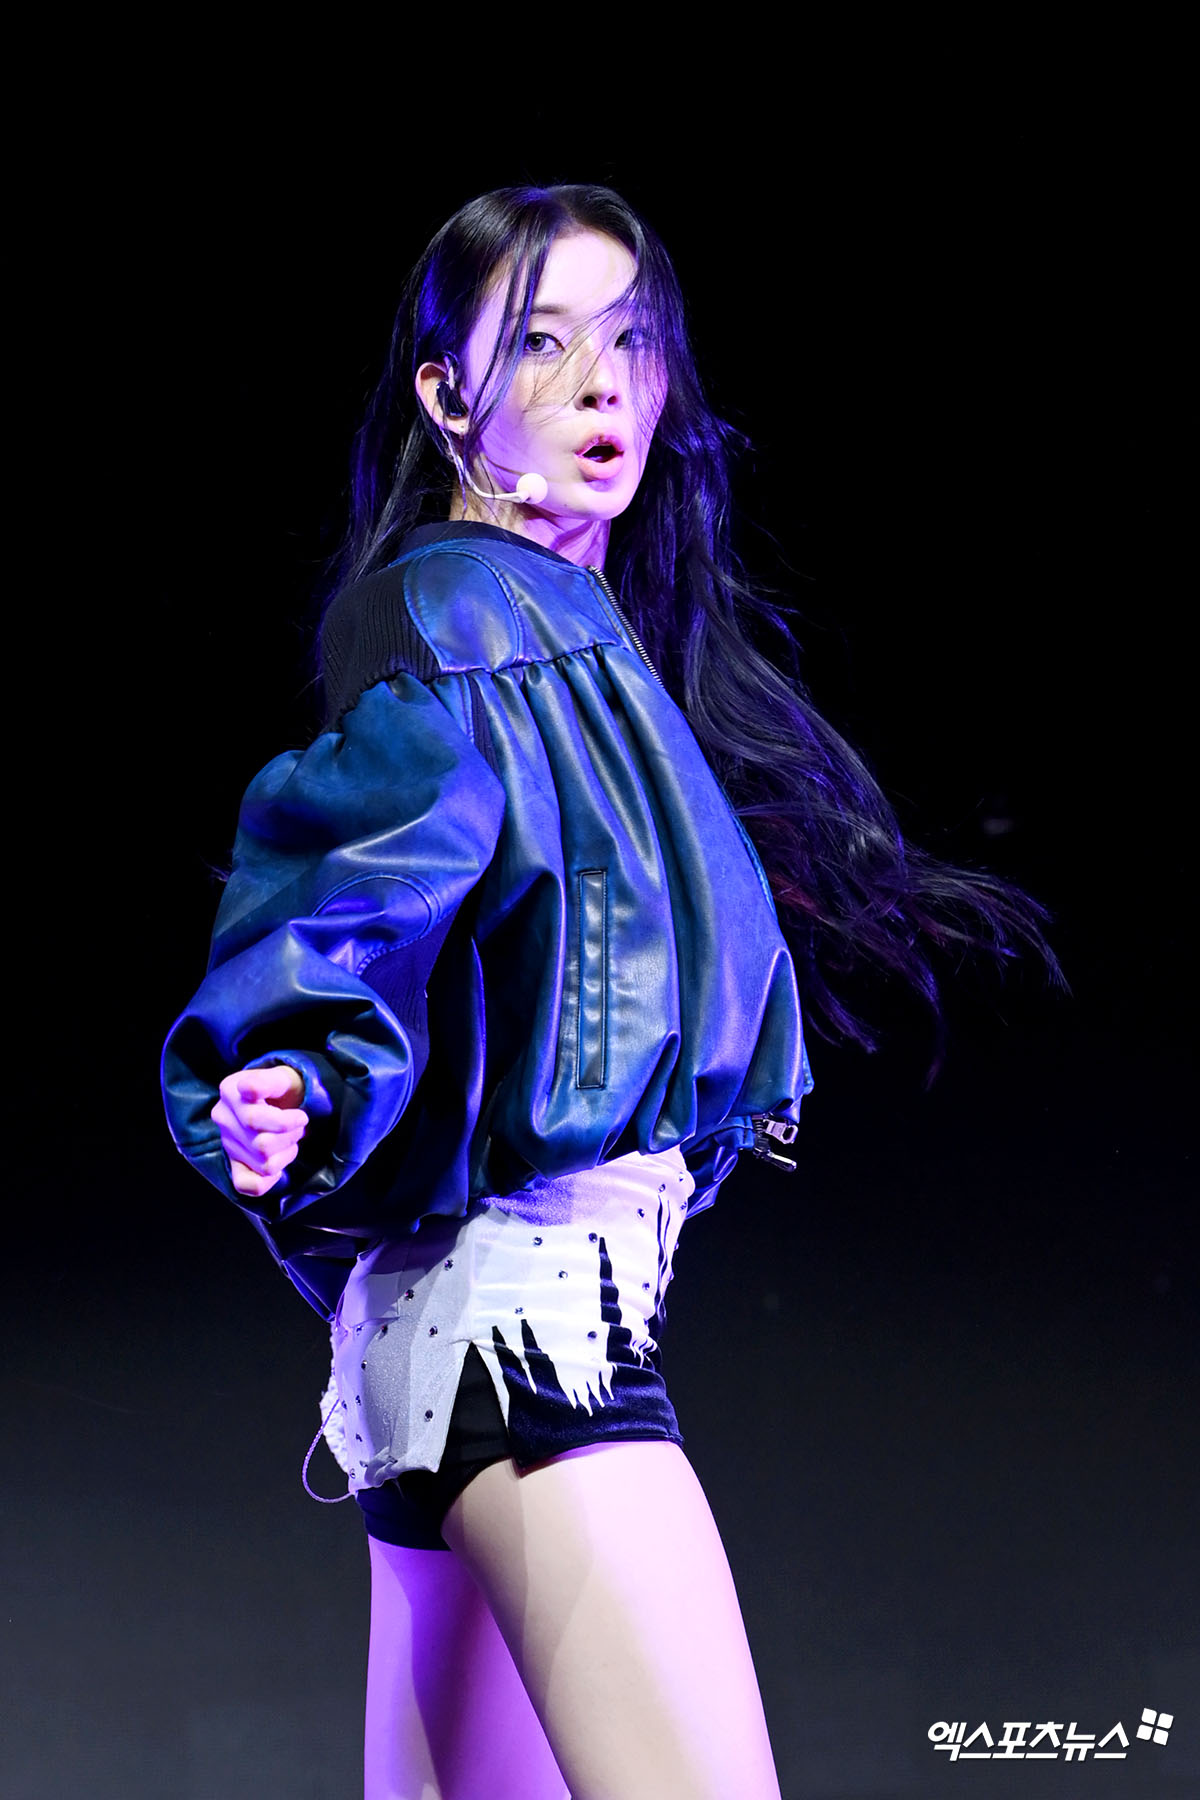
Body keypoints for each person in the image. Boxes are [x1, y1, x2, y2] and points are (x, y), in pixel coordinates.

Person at [162, 185, 1055, 1800]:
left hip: (451, 1350)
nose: (601, 385)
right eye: (542, 343)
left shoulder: (570, 628)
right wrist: (293, 1060)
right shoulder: (466, 613)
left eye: (631, 342)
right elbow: (374, 847)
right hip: (531, 1347)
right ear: (447, 392)